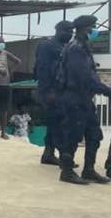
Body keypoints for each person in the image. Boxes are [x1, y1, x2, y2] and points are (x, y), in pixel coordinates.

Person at [57, 15, 111, 185]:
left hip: (84, 99)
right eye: (92, 27)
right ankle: (66, 172)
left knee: (94, 134)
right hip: (74, 98)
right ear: (82, 29)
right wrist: (107, 90)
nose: (94, 30)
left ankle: (89, 170)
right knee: (73, 135)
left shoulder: (83, 47)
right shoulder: (75, 50)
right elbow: (86, 78)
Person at [34, 21, 74, 165]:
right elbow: (42, 70)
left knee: (53, 122)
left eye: (72, 31)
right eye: (67, 31)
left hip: (62, 91)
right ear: (58, 30)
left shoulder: (65, 46)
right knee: (60, 123)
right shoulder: (47, 46)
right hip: (51, 91)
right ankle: (64, 156)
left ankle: (48, 154)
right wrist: (48, 91)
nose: (70, 34)